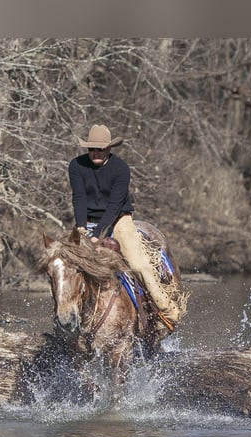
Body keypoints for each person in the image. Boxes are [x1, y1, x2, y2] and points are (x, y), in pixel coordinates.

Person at [68, 124, 186, 327]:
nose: (95, 153)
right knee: (67, 264)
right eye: (92, 149)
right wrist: (81, 228)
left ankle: (166, 311)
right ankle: (68, 314)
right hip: (87, 220)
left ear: (109, 149)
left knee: (138, 264)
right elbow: (78, 198)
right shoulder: (76, 166)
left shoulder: (120, 168)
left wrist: (97, 235)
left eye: (100, 149)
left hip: (118, 218)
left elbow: (114, 205)